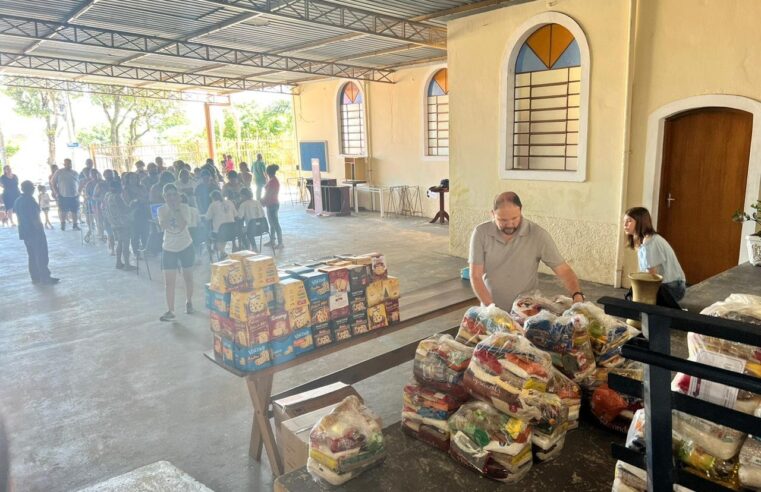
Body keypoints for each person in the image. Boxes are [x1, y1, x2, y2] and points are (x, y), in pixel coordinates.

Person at [469, 192, 584, 310]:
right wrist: (491, 309)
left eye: (514, 218)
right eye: (502, 220)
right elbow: (475, 276)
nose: (509, 224)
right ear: (492, 214)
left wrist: (577, 295)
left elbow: (563, 270)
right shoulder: (481, 233)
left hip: (527, 312)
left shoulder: (537, 234)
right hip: (491, 310)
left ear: (521, 210)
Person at [623, 206, 687, 306]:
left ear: (640, 222)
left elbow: (652, 277)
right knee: (632, 294)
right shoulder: (646, 239)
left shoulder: (650, 241)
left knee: (637, 301)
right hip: (669, 285)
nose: (625, 224)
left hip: (672, 288)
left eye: (629, 221)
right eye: (624, 221)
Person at [157, 183, 195, 321]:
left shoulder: (185, 208)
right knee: (169, 282)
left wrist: (176, 209)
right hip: (168, 248)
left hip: (186, 245)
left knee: (188, 277)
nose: (172, 197)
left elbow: (181, 226)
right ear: (164, 197)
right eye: (168, 195)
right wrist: (171, 210)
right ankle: (170, 310)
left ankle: (189, 301)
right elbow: (164, 226)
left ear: (178, 196)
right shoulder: (161, 210)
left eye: (174, 194)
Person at [14, 180, 58, 284]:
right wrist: (40, 230)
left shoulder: (18, 200)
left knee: (32, 255)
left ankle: (35, 276)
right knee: (41, 254)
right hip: (34, 231)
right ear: (31, 189)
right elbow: (35, 218)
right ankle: (45, 277)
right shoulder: (30, 201)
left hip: (24, 231)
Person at [104, 179, 135, 271]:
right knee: (125, 243)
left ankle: (118, 262)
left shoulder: (107, 195)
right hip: (122, 223)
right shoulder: (116, 197)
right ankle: (127, 264)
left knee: (120, 242)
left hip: (113, 222)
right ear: (117, 188)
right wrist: (132, 204)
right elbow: (125, 209)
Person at [205, 189, 237, 258]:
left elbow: (207, 218)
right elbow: (235, 215)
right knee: (223, 229)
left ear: (213, 198)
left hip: (220, 233)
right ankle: (222, 251)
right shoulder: (230, 202)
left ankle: (218, 251)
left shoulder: (212, 205)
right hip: (232, 232)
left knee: (208, 233)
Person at [51, 158, 80, 231]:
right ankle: (63, 224)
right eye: (67, 163)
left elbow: (78, 183)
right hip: (63, 195)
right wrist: (57, 193)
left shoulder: (75, 173)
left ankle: (75, 225)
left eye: (70, 163)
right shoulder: (59, 172)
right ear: (64, 164)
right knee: (62, 211)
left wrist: (78, 192)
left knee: (75, 211)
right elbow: (53, 182)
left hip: (74, 195)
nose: (69, 165)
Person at [261, 164, 283, 249]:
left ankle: (280, 242)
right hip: (271, 203)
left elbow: (269, 194)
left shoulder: (273, 181)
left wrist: (263, 201)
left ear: (267, 172)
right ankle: (273, 240)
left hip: (272, 204)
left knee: (275, 223)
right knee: (272, 223)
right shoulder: (272, 180)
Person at [237, 187, 265, 252]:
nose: (240, 198)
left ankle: (248, 247)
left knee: (241, 230)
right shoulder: (258, 202)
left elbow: (239, 217)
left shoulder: (243, 204)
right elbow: (263, 215)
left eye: (241, 196)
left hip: (252, 228)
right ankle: (251, 246)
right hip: (263, 227)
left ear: (243, 196)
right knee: (248, 228)